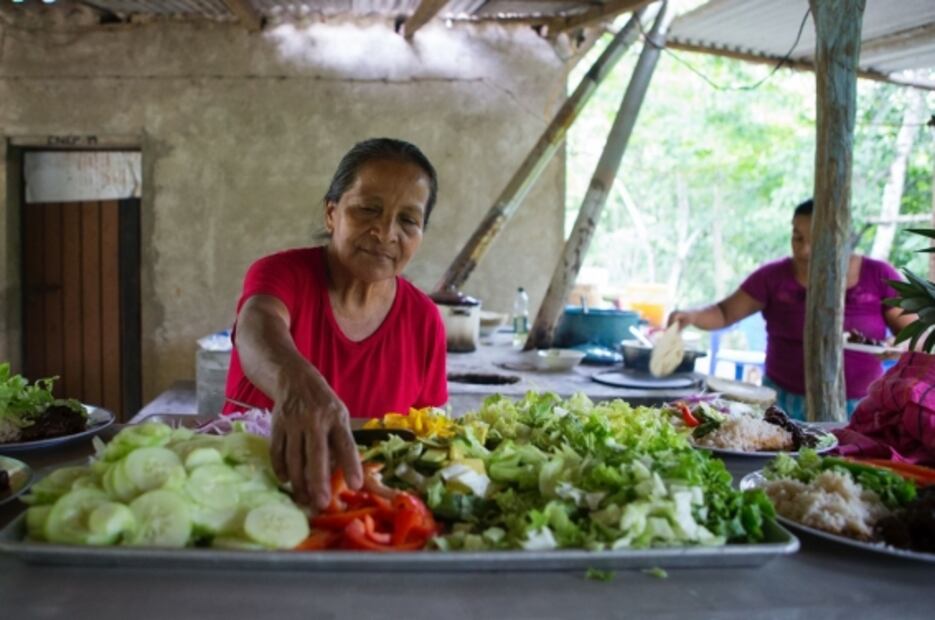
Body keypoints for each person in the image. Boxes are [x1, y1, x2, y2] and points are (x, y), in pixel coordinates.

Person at [223, 138, 448, 508]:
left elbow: (426, 441)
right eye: (368, 210)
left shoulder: (423, 319)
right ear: (332, 214)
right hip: (250, 496)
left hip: (358, 513)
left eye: (408, 220)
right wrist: (296, 383)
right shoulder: (282, 274)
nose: (386, 233)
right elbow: (256, 326)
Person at [668, 198, 914, 419]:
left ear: (842, 238)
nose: (804, 250)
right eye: (797, 237)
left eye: (815, 240)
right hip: (781, 402)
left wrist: (899, 345)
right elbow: (723, 313)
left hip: (861, 405)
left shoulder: (878, 275)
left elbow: (914, 331)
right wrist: (691, 316)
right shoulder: (772, 277)